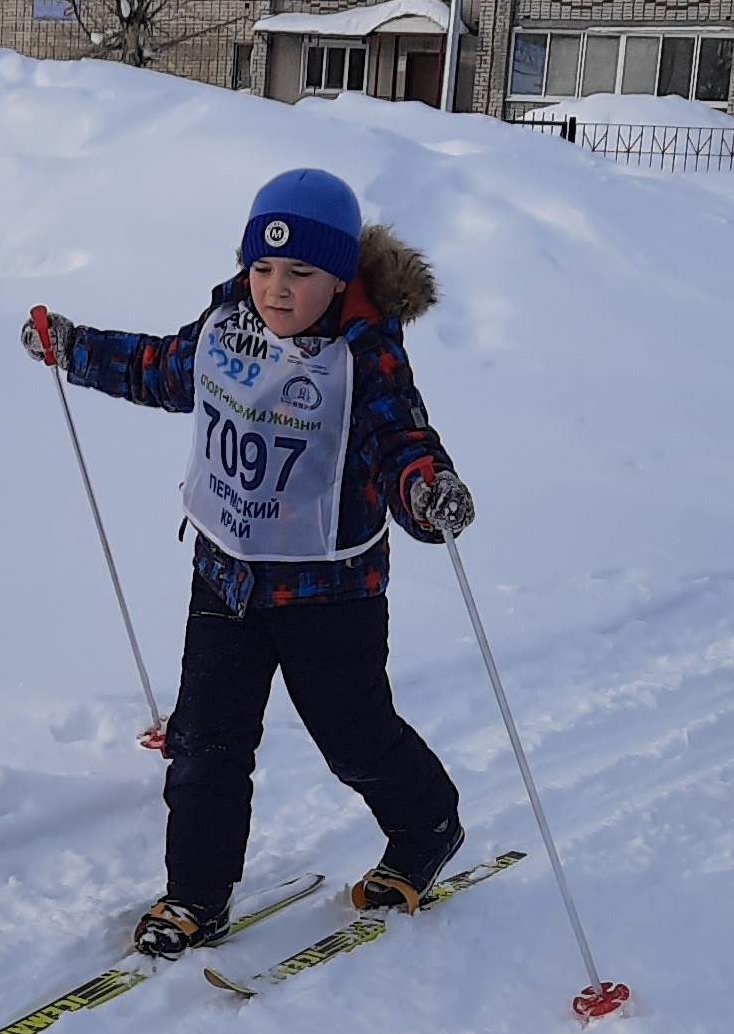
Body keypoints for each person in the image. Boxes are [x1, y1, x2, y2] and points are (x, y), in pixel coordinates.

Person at [23, 164, 475, 955]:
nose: (276, 289)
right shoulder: (229, 321)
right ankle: (195, 898)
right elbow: (164, 369)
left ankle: (427, 823)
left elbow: (399, 441)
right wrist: (75, 348)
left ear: (340, 278)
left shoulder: (364, 355)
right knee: (205, 743)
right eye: (263, 267)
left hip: (329, 591)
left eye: (300, 272)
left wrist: (426, 491)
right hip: (226, 574)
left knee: (353, 737)